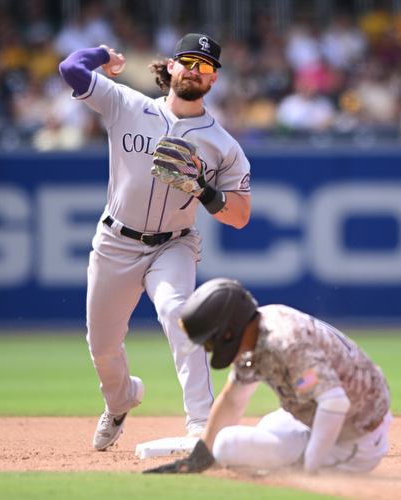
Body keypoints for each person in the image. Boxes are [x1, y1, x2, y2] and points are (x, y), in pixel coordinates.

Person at [58, 34, 252, 451]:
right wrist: (103, 56)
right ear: (170, 66)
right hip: (115, 242)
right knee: (102, 346)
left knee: (180, 315)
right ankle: (121, 398)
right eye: (188, 62)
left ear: (214, 80)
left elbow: (239, 216)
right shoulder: (128, 104)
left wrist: (203, 188)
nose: (195, 71)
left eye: (205, 67)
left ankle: (203, 426)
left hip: (173, 245)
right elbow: (71, 69)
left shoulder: (223, 145)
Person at [144, 278, 392, 475]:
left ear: (230, 330)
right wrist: (199, 458)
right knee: (265, 428)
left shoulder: (284, 342)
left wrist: (307, 468)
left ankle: (320, 460)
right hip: (335, 414)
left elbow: (336, 403)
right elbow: (233, 400)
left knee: (228, 446)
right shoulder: (258, 329)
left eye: (210, 339)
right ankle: (303, 456)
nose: (209, 348)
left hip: (356, 437)